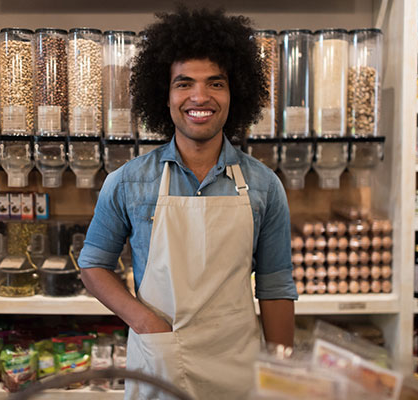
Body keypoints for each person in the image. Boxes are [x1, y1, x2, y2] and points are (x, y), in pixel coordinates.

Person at [78, 7, 297, 399]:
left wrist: (283, 376)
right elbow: (93, 265)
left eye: (216, 83)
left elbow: (275, 286)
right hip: (160, 363)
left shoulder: (264, 186)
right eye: (184, 84)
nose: (200, 97)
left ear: (235, 94)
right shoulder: (129, 182)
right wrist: (145, 323)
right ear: (164, 96)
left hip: (238, 368)